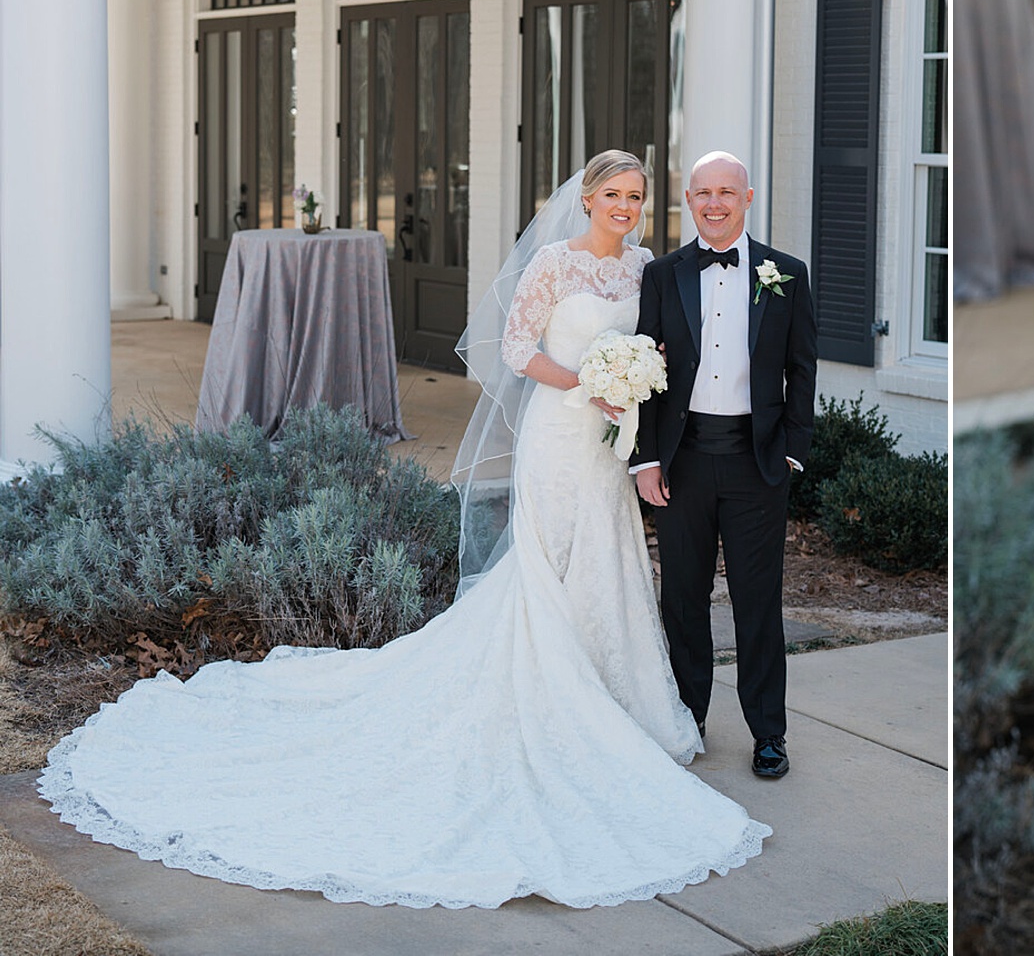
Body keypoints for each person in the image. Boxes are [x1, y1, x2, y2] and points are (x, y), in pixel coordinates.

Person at [40, 149, 769, 908]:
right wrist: (593, 378)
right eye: (613, 193)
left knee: (609, 564)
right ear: (585, 199)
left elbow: (662, 347)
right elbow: (518, 350)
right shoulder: (554, 264)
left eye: (636, 196)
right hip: (560, 437)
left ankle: (618, 706)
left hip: (608, 446)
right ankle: (557, 707)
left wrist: (634, 385)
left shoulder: (645, 268)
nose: (625, 206)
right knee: (550, 571)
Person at [630, 151, 817, 781]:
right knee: (681, 597)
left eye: (726, 193)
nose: (714, 203)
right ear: (689, 198)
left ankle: (769, 732)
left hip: (755, 461)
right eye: (703, 193)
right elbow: (646, 374)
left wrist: (792, 451)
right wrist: (645, 460)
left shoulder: (784, 274)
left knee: (756, 601)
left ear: (748, 197)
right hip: (680, 460)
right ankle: (688, 717)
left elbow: (802, 369)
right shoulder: (662, 275)